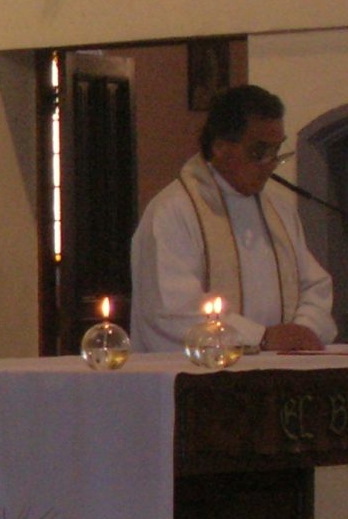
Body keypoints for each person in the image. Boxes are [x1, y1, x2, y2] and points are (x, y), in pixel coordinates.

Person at [130, 82, 337, 354]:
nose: (270, 164)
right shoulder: (173, 211)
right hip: (199, 372)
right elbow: (170, 308)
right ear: (220, 147)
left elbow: (315, 286)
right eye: (259, 152)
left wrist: (303, 330)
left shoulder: (279, 208)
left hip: (281, 366)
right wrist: (260, 338)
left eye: (276, 151)